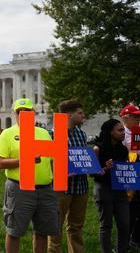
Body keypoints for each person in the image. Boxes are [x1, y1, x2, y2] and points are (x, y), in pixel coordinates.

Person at [0, 98, 58, 253]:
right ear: (15, 114)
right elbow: (1, 162)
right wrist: (25, 160)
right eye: (20, 112)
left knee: (42, 232)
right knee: (14, 231)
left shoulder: (44, 133)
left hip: (45, 188)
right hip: (20, 188)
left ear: (33, 113)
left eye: (27, 111)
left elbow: (52, 160)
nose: (23, 114)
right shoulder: (7, 134)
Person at [48, 100, 89, 253]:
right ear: (69, 115)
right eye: (80, 113)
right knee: (55, 227)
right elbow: (47, 161)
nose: (83, 116)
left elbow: (84, 156)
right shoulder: (52, 134)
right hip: (61, 188)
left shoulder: (81, 134)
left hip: (81, 186)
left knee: (76, 226)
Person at [93, 119, 130, 253]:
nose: (123, 133)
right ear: (110, 132)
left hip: (120, 190)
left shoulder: (123, 149)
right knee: (106, 225)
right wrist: (106, 168)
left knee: (125, 224)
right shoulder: (98, 148)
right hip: (104, 189)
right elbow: (94, 173)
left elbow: (125, 169)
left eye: (123, 130)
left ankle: (121, 250)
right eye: (120, 130)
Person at [119, 104, 140, 249]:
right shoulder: (121, 134)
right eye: (135, 116)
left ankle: (138, 241)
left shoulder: (138, 134)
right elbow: (119, 157)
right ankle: (124, 243)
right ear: (125, 118)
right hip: (129, 177)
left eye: (139, 116)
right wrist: (138, 155)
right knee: (131, 212)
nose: (138, 119)